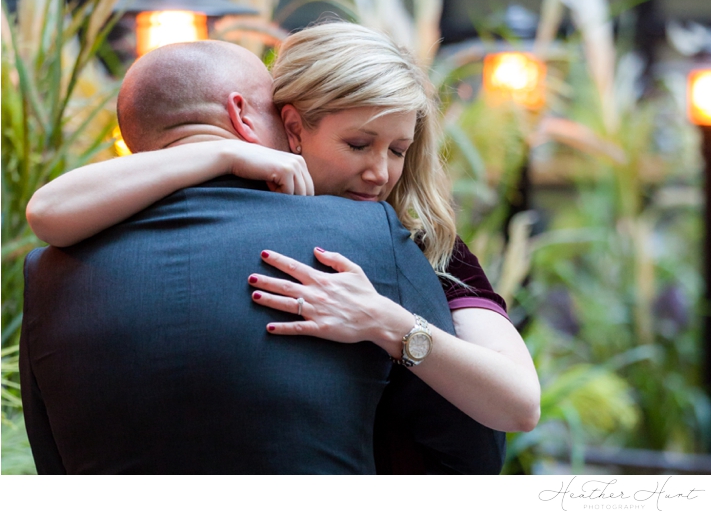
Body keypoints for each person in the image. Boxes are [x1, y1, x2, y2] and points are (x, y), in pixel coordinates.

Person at [26, 23, 540, 467]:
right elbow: (47, 211)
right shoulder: (330, 220)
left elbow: (515, 407)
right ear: (290, 128)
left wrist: (386, 322)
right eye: (357, 144)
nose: (379, 171)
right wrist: (223, 156)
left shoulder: (417, 238)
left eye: (399, 150)